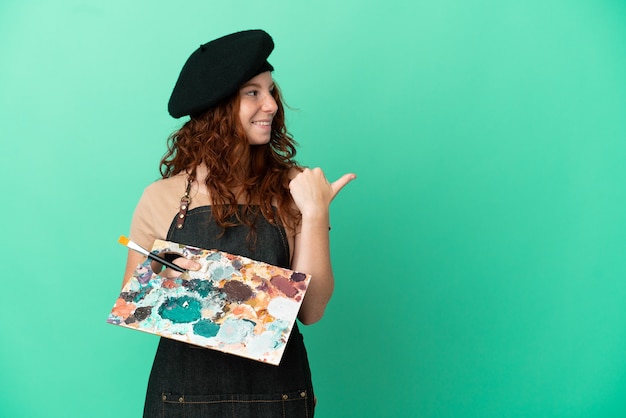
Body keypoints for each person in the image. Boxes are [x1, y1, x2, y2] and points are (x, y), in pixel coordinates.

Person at [121, 29, 356, 417]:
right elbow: (139, 309)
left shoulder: (295, 188)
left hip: (278, 399)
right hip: (184, 402)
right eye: (253, 92)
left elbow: (311, 311)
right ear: (217, 107)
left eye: (271, 91)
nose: (272, 105)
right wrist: (171, 283)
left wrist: (315, 215)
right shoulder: (160, 197)